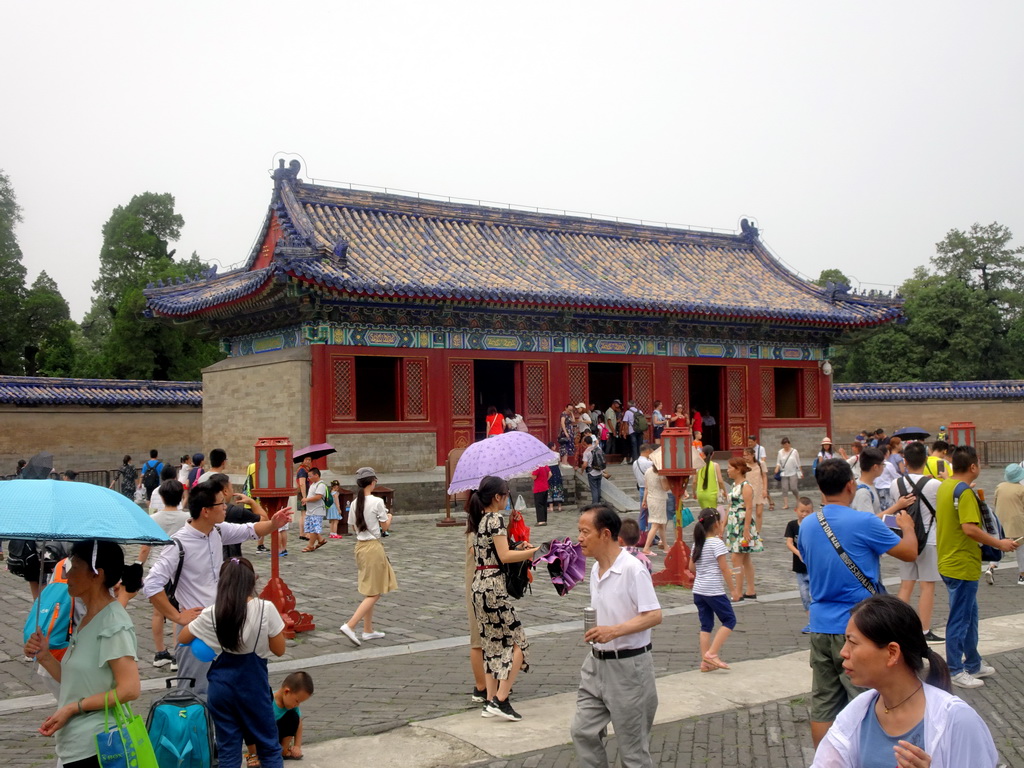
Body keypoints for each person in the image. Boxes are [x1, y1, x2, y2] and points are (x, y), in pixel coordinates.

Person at [798, 458, 919, 747]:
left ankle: (826, 762)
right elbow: (909, 553)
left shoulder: (808, 524)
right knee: (865, 699)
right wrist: (907, 525)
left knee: (824, 701)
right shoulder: (863, 521)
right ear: (851, 485)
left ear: (819, 487)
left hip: (819, 623)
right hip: (858, 626)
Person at [141, 478, 293, 694]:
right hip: (198, 630)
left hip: (225, 622)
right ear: (205, 511)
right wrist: (177, 617)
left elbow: (251, 530)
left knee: (227, 693)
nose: (225, 507)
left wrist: (274, 524)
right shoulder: (179, 544)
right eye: (221, 504)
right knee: (196, 695)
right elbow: (152, 584)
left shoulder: (218, 531)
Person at [811, 594, 998, 768]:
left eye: (852, 642)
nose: (843, 652)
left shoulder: (957, 720)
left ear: (892, 653)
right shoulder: (857, 712)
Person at [24, 540, 142, 768]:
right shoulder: (87, 618)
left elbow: (130, 689)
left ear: (97, 574)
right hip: (76, 744)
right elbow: (77, 682)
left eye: (75, 567)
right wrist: (45, 655)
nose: (67, 575)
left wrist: (72, 708)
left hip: (99, 746)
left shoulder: (113, 623)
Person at [572, 504, 661, 768]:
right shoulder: (595, 570)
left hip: (629, 669)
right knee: (582, 731)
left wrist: (613, 631)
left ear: (605, 534)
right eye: (579, 531)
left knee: (633, 753)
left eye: (585, 532)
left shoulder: (633, 569)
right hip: (595, 666)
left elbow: (654, 615)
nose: (579, 538)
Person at [179, 557, 286, 768]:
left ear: (222, 583)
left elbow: (182, 638)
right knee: (269, 747)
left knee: (228, 750)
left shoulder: (213, 612)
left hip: (221, 686)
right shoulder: (266, 608)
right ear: (252, 581)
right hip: (253, 686)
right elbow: (280, 650)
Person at [935, 445, 1019, 688]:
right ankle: (955, 669)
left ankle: (973, 662)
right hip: (961, 563)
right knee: (960, 619)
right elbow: (970, 528)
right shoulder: (964, 493)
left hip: (950, 560)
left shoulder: (946, 486)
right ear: (973, 466)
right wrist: (999, 544)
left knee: (970, 615)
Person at [469, 475, 539, 721]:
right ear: (497, 497)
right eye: (506, 494)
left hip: (479, 586)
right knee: (519, 642)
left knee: (492, 645)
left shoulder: (481, 520)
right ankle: (501, 699)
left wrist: (517, 547)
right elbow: (504, 556)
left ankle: (490, 700)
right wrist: (534, 552)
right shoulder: (495, 519)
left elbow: (495, 553)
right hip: (493, 588)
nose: (507, 499)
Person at [891, 441, 945, 642]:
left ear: (904, 461)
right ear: (925, 460)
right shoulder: (935, 485)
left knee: (906, 584)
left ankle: (896, 627)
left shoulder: (895, 484)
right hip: (929, 539)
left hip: (906, 538)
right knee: (927, 586)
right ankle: (924, 630)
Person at [340, 467, 397, 646]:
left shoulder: (356, 502)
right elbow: (385, 527)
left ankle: (368, 629)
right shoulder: (377, 501)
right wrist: (389, 517)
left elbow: (352, 527)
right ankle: (350, 625)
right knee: (375, 591)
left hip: (360, 546)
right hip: (373, 546)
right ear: (373, 482)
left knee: (370, 588)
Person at [139, 479, 189, 669]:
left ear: (161, 497)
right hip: (180, 569)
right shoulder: (187, 518)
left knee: (158, 613)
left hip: (158, 569)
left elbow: (145, 549)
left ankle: (160, 652)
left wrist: (138, 565)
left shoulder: (152, 520)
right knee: (178, 611)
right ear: (181, 497)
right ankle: (178, 653)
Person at [688, 507, 736, 671]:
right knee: (729, 620)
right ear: (716, 524)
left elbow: (691, 568)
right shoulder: (717, 543)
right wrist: (734, 590)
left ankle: (705, 662)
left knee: (706, 625)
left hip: (699, 590)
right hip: (713, 590)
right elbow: (724, 569)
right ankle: (712, 654)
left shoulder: (697, 544)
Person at [244, 671, 315, 764]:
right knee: (249, 720)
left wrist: (297, 746)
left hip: (276, 738)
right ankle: (253, 754)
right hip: (261, 737)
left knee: (293, 717)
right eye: (297, 701)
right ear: (286, 692)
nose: (297, 705)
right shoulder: (267, 701)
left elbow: (299, 723)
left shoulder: (293, 707)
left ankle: (283, 750)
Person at [725, 456, 761, 601]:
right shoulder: (735, 485)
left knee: (736, 558)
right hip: (734, 523)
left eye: (730, 468)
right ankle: (750, 590)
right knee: (745, 558)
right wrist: (724, 524)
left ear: (738, 469)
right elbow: (730, 506)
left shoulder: (746, 486)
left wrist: (746, 529)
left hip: (742, 524)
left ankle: (738, 592)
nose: (727, 470)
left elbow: (749, 508)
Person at [852, 447, 915, 519]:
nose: (884, 467)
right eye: (883, 465)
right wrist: (898, 506)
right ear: (875, 467)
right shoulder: (863, 492)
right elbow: (869, 520)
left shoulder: (867, 485)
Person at [784, 497, 814, 633]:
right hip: (800, 568)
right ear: (796, 510)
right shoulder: (792, 525)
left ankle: (815, 621)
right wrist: (799, 553)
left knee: (815, 594)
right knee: (804, 595)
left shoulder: (815, 526)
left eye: (808, 511)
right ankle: (811, 621)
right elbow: (789, 543)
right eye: (802, 511)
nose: (804, 514)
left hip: (814, 567)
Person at [994, 462, 1024, 586]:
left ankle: (991, 566)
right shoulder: (1021, 489)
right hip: (1018, 522)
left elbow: (995, 502)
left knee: (999, 545)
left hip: (1001, 520)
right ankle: (1022, 575)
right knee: (1021, 548)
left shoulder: (999, 486)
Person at [640, 461, 669, 557]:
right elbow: (665, 488)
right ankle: (646, 548)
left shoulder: (648, 471)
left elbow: (646, 488)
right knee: (656, 524)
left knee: (660, 524)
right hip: (659, 499)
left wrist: (644, 500)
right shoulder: (661, 474)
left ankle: (665, 546)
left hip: (651, 498)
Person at [301, 466, 329, 551]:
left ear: (316, 475)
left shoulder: (321, 485)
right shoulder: (313, 484)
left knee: (314, 529)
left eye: (310, 476)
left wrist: (307, 499)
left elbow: (318, 497)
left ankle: (310, 545)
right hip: (311, 510)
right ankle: (321, 540)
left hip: (317, 510)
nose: (309, 478)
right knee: (310, 528)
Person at [774, 437, 803, 510]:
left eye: (787, 444)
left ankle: (798, 498)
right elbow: (778, 462)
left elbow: (798, 462)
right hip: (784, 472)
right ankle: (786, 504)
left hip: (793, 472)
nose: (786, 446)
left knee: (793, 488)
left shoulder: (794, 451)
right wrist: (777, 468)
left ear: (789, 444)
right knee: (784, 488)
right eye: (784, 444)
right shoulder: (780, 452)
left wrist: (801, 471)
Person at [694, 444, 725, 511]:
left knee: (705, 514)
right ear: (712, 453)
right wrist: (724, 491)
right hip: (712, 495)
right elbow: (720, 481)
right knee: (713, 515)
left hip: (700, 494)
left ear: (702, 453)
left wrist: (694, 493)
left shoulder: (698, 466)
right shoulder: (715, 465)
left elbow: (694, 482)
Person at [582, 434, 604, 504]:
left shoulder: (586, 452)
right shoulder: (597, 449)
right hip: (599, 471)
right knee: (598, 488)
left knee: (594, 489)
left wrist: (582, 470)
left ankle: (595, 504)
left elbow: (585, 464)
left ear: (585, 442)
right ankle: (599, 502)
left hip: (591, 472)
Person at [295, 455, 312, 541]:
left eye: (309, 459)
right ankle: (306, 533)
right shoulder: (302, 470)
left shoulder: (304, 469)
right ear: (303, 460)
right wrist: (305, 496)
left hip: (302, 493)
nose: (308, 461)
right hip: (304, 494)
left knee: (303, 514)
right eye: (306, 459)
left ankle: (302, 533)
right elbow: (302, 483)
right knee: (305, 514)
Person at [546, 442, 565, 513]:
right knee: (558, 487)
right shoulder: (557, 454)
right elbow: (559, 462)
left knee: (550, 487)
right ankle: (559, 506)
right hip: (556, 470)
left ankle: (551, 507)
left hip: (549, 471)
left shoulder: (546, 455)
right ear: (552, 447)